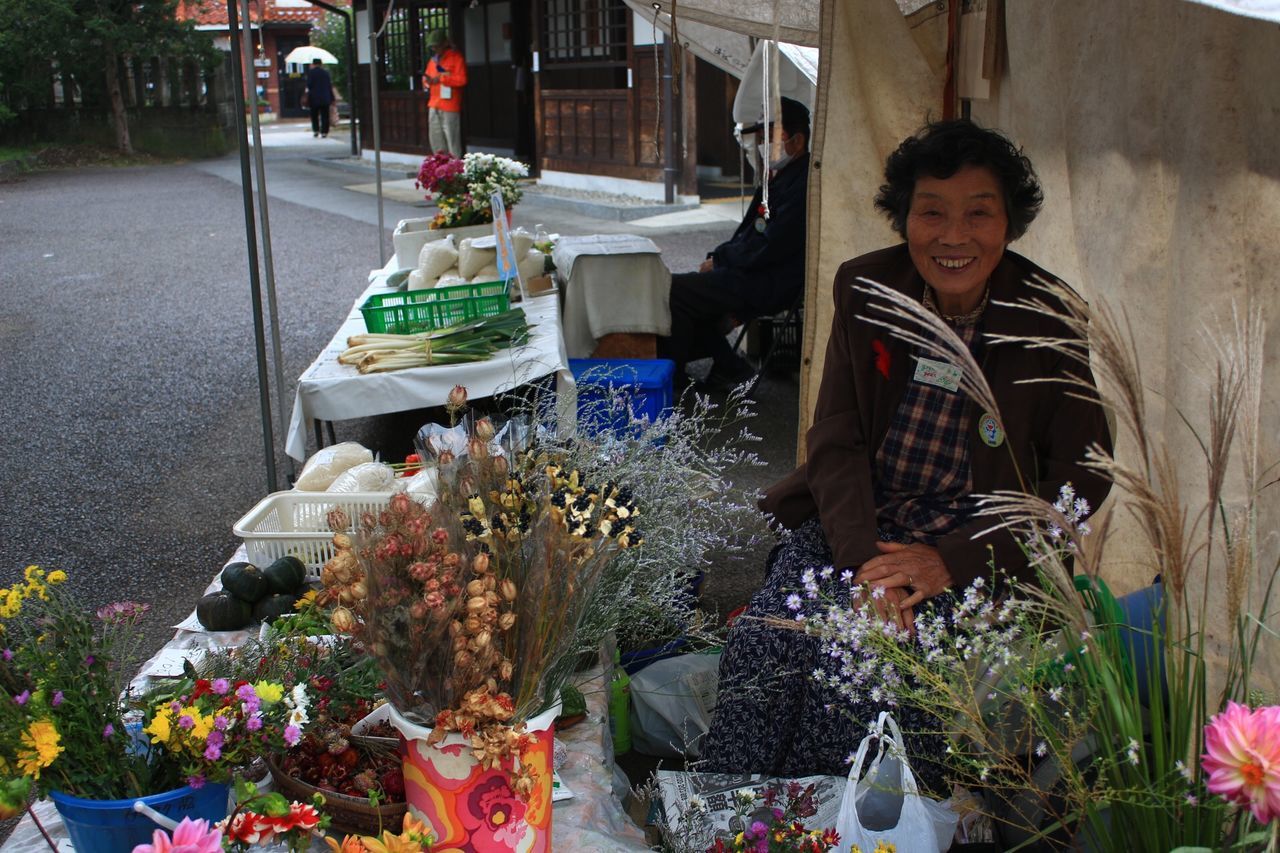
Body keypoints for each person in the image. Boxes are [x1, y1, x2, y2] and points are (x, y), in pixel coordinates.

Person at [700, 119, 1114, 791]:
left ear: (1009, 222)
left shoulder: (1047, 316)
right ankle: (739, 818)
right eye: (932, 213)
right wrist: (866, 560)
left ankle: (852, 831)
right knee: (766, 639)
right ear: (904, 219)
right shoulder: (867, 288)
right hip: (862, 523)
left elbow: (1082, 477)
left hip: (977, 548)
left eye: (978, 214)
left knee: (870, 664)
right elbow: (836, 437)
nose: (953, 237)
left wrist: (947, 560)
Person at [658, 97, 811, 389]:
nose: (764, 145)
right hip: (751, 272)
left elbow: (771, 244)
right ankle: (722, 368)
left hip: (772, 280)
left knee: (675, 290)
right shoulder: (779, 176)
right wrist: (720, 258)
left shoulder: (804, 182)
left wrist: (721, 260)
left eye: (770, 138)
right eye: (762, 138)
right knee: (683, 293)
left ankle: (709, 372)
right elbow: (749, 234)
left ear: (797, 140)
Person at [422, 29, 468, 157]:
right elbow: (426, 79)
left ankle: (455, 170)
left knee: (452, 140)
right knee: (436, 139)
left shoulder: (456, 58)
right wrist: (427, 82)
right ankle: (439, 169)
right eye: (433, 47)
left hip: (449, 105)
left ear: (444, 44)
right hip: (434, 104)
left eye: (437, 46)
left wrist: (442, 79)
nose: (435, 49)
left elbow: (462, 80)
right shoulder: (432, 61)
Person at [305, 58, 334, 139]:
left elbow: (309, 85)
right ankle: (324, 132)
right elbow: (329, 86)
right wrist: (332, 98)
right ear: (321, 64)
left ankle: (316, 131)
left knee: (314, 115)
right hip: (325, 97)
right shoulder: (326, 73)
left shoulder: (311, 73)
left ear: (313, 64)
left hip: (314, 98)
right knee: (325, 115)